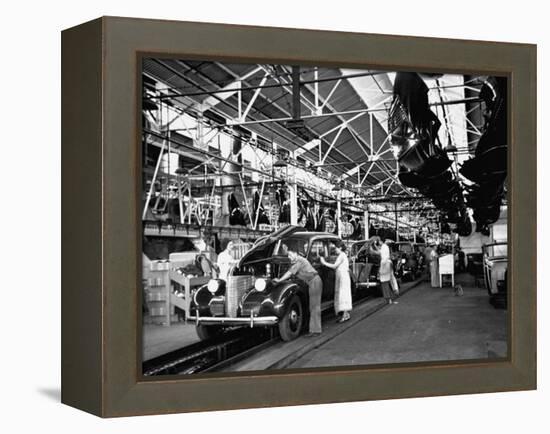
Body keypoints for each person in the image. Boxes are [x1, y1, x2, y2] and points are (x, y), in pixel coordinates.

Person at [272, 245, 323, 336]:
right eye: (288, 255)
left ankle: (316, 331)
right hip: (312, 282)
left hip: (315, 282)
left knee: (315, 307)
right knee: (313, 307)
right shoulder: (297, 261)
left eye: (290, 255)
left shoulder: (299, 261)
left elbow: (290, 273)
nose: (289, 257)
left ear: (295, 253)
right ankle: (313, 330)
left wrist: (279, 280)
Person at [320, 240, 352, 322]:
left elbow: (334, 266)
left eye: (336, 248)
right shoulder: (343, 255)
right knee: (344, 294)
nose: (335, 250)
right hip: (343, 276)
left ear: (340, 248)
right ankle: (346, 314)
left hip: (342, 277)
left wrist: (324, 262)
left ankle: (345, 315)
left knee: (342, 294)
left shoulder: (341, 255)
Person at [379, 239, 399, 305]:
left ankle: (388, 298)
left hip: (385, 265)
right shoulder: (385, 247)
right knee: (390, 279)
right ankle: (395, 290)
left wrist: (381, 268)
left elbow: (384, 258)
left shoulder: (384, 247)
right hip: (387, 264)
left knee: (385, 282)